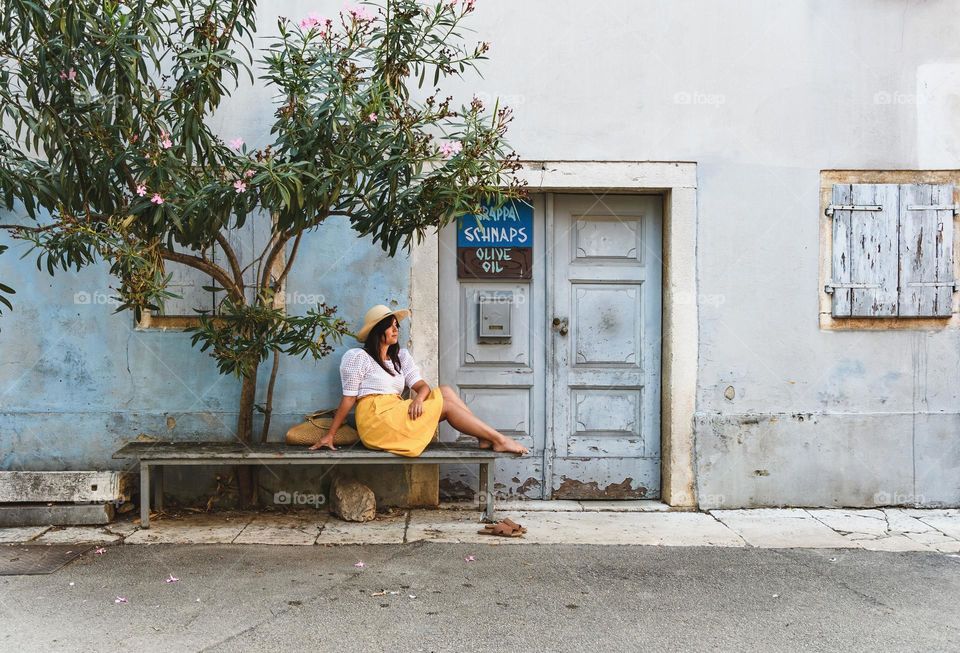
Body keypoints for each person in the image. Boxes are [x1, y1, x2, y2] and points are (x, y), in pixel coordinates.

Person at [309, 304, 528, 456]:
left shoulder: (400, 357)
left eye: (397, 325)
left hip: (396, 411)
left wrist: (418, 399)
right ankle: (498, 439)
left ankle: (485, 438)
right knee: (448, 406)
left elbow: (422, 387)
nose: (396, 329)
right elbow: (348, 399)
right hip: (376, 421)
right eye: (390, 325)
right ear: (378, 330)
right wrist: (330, 435)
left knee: (445, 391)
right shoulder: (358, 357)